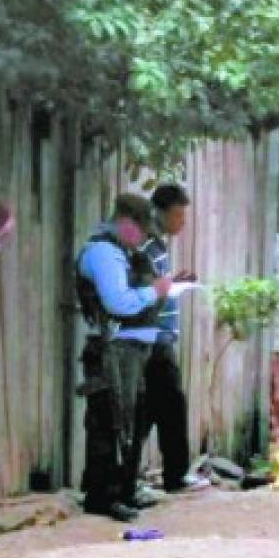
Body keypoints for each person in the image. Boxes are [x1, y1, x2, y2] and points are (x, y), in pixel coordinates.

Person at [76, 194, 171, 521]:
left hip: (126, 350)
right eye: (143, 231)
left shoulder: (119, 251)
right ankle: (102, 496)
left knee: (131, 418)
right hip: (109, 349)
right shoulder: (103, 252)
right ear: (128, 224)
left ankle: (123, 490)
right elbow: (118, 303)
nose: (144, 239)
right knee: (109, 421)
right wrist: (154, 292)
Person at [137, 183, 209, 494]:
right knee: (170, 407)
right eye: (178, 215)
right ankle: (175, 476)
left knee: (149, 409)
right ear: (160, 213)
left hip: (158, 338)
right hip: (154, 339)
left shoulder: (157, 246)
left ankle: (130, 477)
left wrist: (174, 282)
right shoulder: (145, 247)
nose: (182, 222)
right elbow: (143, 290)